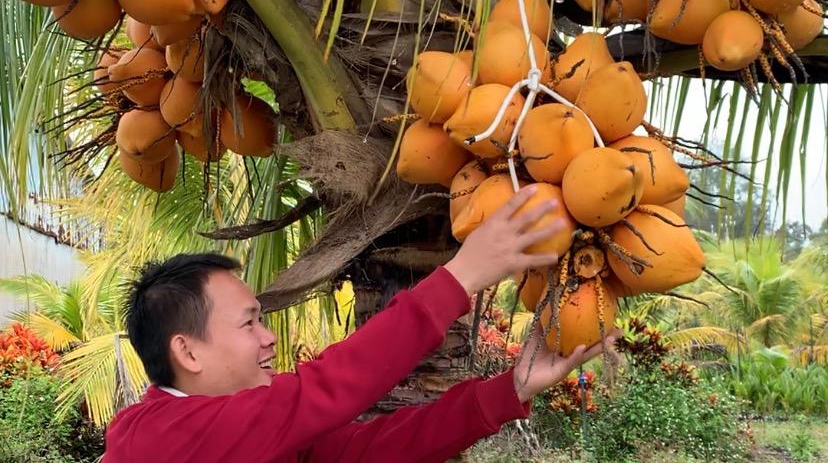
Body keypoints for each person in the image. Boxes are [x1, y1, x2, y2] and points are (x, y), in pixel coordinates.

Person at [104, 185, 616, 462]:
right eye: (249, 324)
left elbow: (371, 450)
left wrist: (509, 390)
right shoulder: (158, 442)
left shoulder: (251, 428)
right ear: (187, 352)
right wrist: (463, 275)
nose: (270, 336)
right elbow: (327, 386)